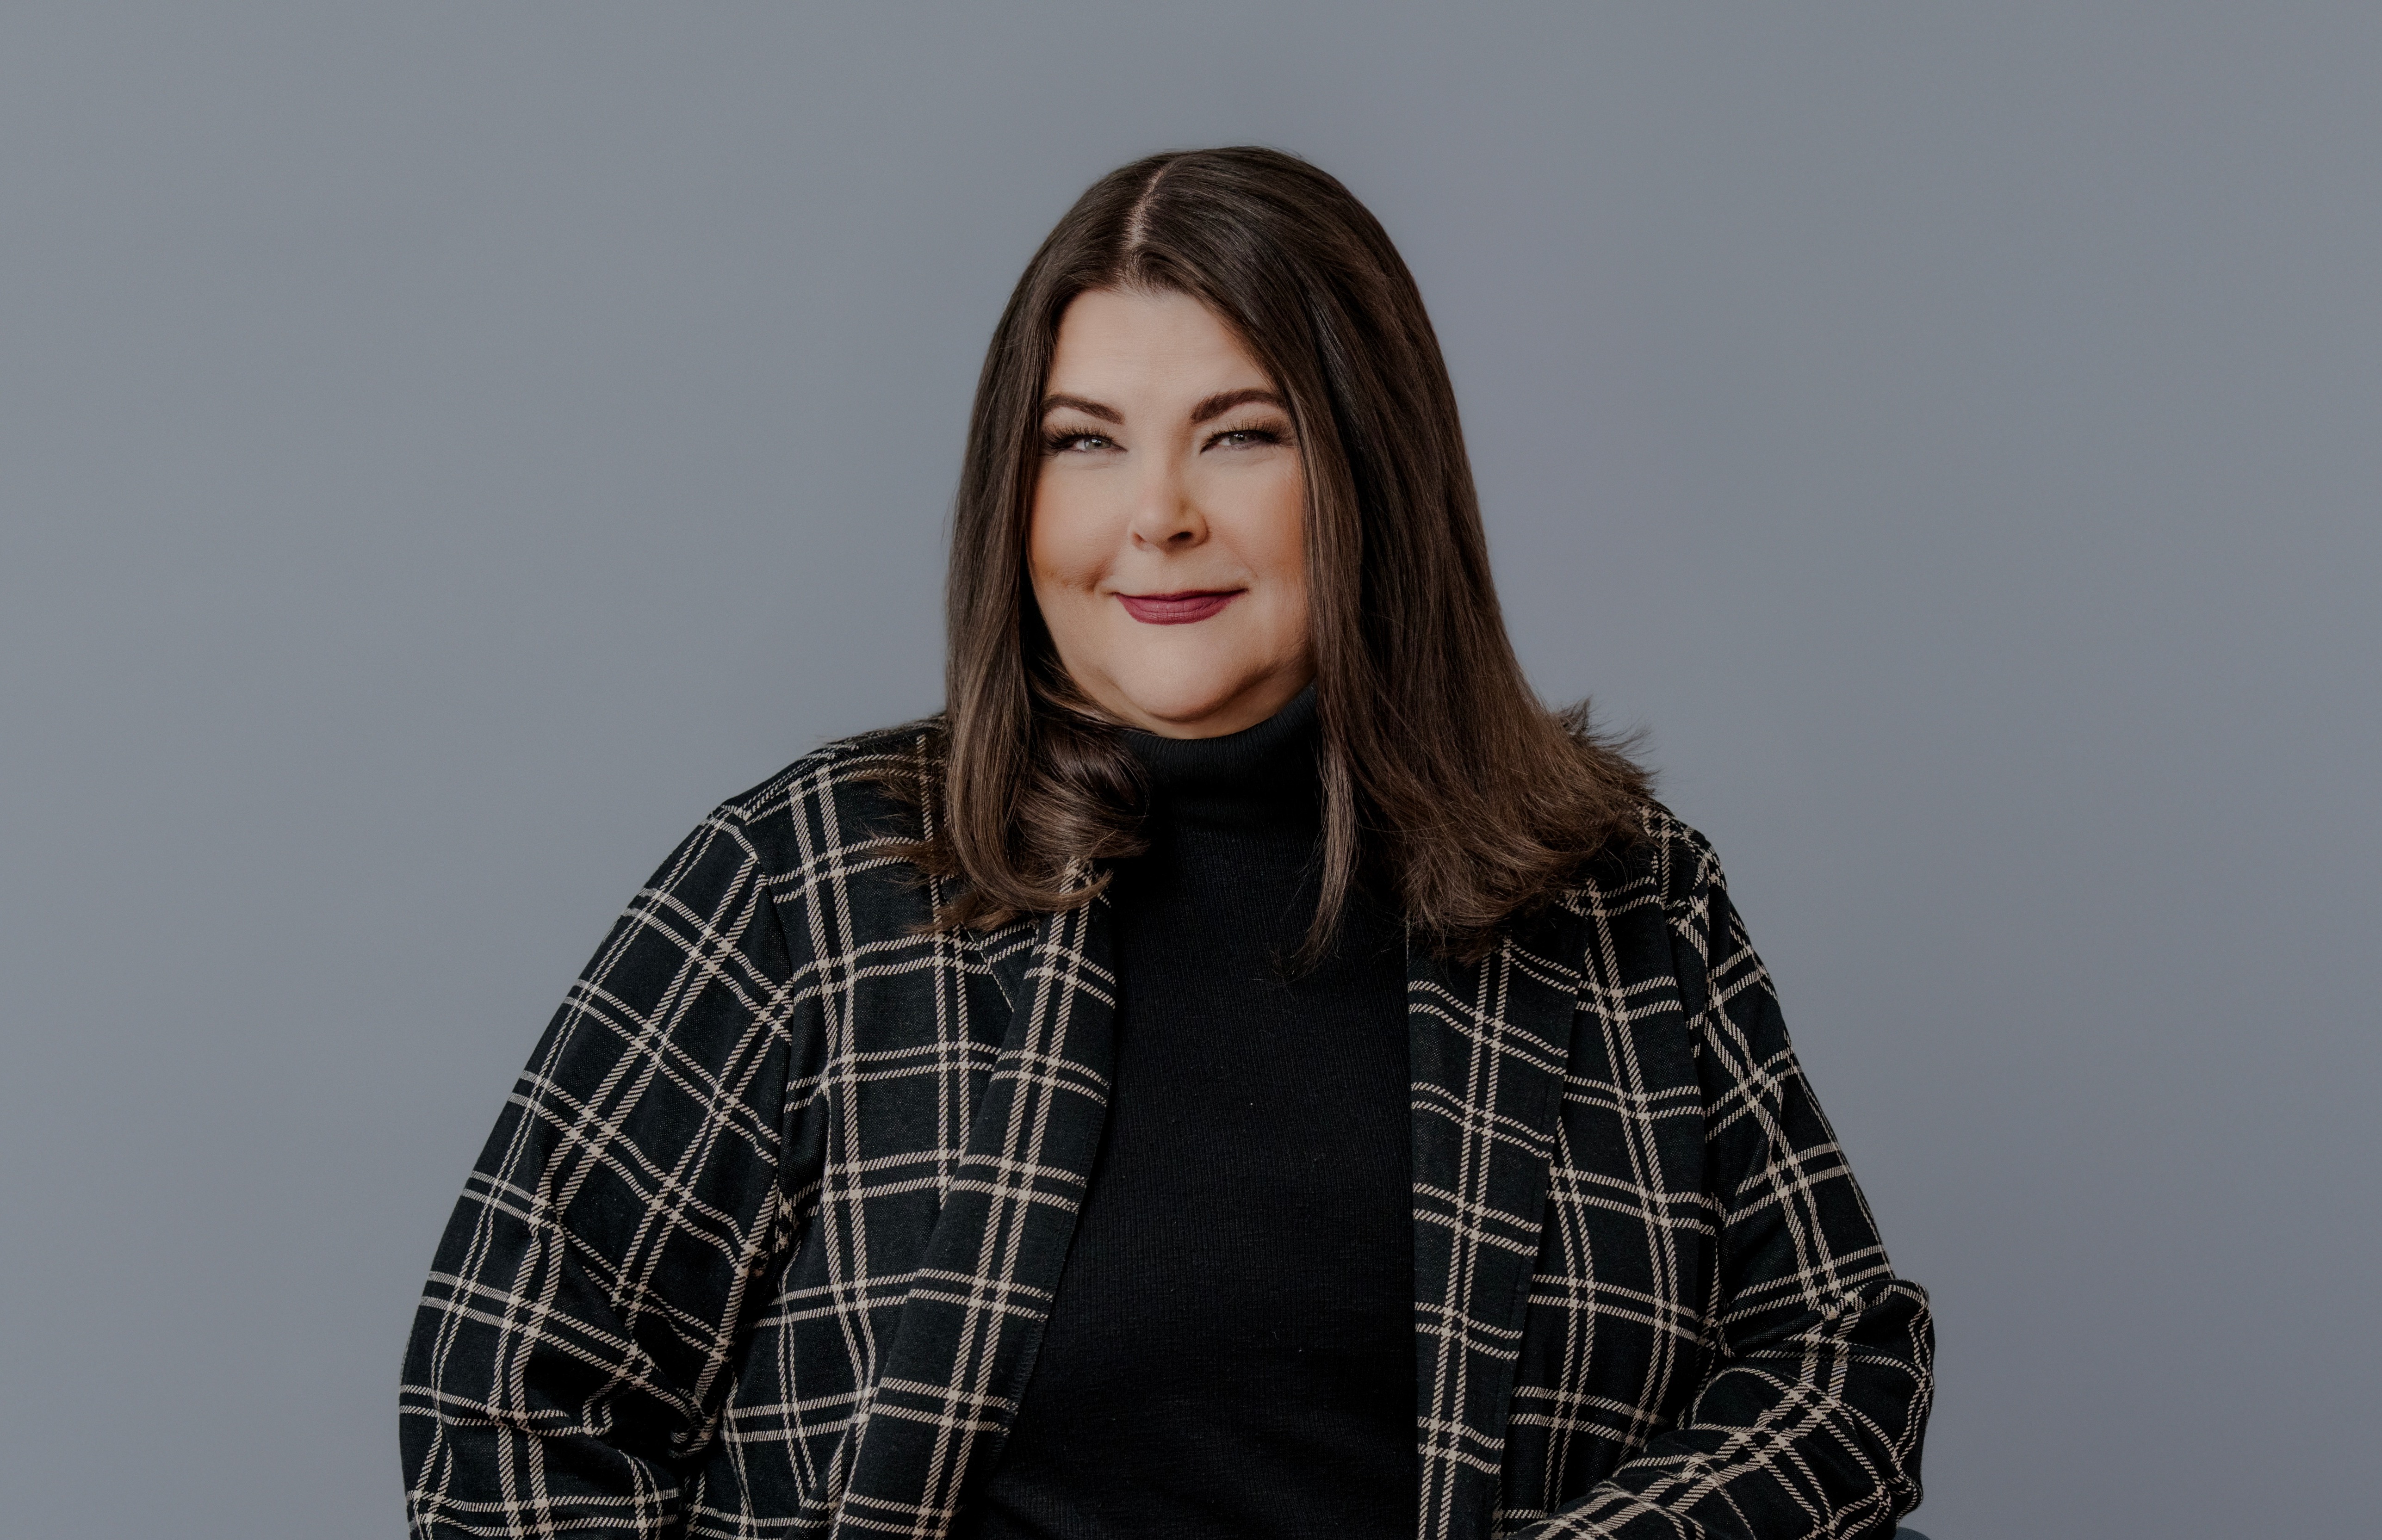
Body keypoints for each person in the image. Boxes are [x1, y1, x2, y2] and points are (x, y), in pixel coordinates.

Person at [400, 146, 1934, 1540]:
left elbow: (1836, 1365)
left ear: (1371, 478)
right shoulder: (808, 877)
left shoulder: (1620, 897)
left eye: (1241, 435)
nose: (1157, 516)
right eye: (1084, 443)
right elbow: (504, 1406)